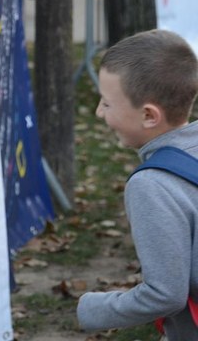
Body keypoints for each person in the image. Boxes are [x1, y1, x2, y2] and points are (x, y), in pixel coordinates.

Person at [76, 29, 198, 340]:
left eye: (106, 103)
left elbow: (165, 294)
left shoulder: (152, 185)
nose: (98, 112)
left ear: (148, 115)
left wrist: (92, 308)